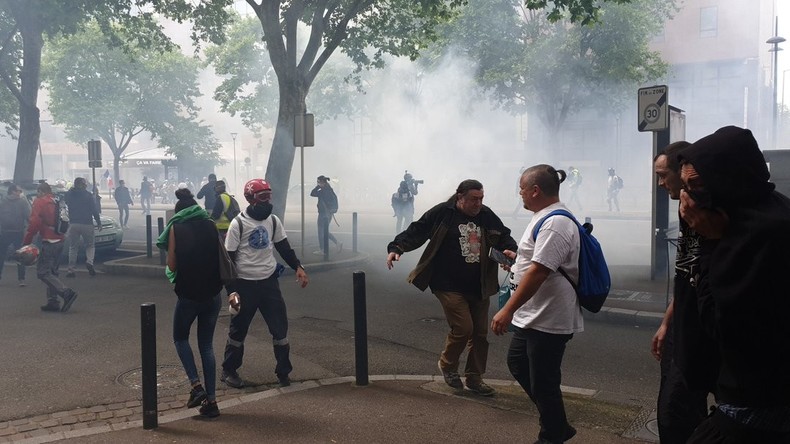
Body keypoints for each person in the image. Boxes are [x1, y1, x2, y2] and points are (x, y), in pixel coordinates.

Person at [677, 126, 790, 443]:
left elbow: (721, 321)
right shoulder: (750, 214)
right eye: (684, 188)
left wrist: (710, 243)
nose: (689, 200)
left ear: (728, 177)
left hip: (757, 401)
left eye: (696, 186)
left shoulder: (761, 234)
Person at [387, 179, 517, 397]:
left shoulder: (486, 215)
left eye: (481, 199)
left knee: (480, 334)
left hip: (479, 285)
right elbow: (418, 230)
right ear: (460, 197)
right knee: (464, 328)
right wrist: (397, 247)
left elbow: (504, 236)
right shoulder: (443, 212)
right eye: (474, 199)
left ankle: (475, 378)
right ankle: (447, 366)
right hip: (447, 284)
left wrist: (510, 252)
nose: (478, 204)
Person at [490, 165, 583, 444]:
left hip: (549, 317)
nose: (519, 194)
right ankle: (557, 424)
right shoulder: (543, 217)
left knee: (544, 381)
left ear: (535, 190)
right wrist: (517, 259)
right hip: (534, 315)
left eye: (521, 189)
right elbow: (535, 261)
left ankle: (551, 434)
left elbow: (540, 271)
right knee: (518, 363)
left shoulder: (556, 222)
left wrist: (507, 310)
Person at [651, 142, 713, 444]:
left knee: (677, 410)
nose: (661, 184)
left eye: (664, 176)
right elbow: (685, 274)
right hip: (684, 325)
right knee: (673, 407)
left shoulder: (709, 211)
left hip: (705, 328)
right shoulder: (685, 207)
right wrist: (667, 323)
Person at [221, 178, 309, 389]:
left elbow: (284, 247)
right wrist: (231, 292)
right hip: (244, 285)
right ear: (250, 199)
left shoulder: (273, 221)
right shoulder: (238, 224)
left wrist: (298, 266)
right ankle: (229, 370)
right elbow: (228, 260)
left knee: (280, 330)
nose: (268, 202)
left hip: (269, 284)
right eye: (262, 197)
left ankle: (283, 372)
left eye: (269, 197)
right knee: (238, 331)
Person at [157, 188, 223, 419]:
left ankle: (196, 386)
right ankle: (212, 402)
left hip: (189, 295)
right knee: (206, 346)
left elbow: (172, 265)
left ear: (178, 213)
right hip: (213, 294)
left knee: (180, 338)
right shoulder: (211, 225)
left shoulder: (176, 228)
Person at [22, 182, 78, 312]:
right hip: (60, 239)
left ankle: (66, 293)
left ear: (41, 191)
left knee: (43, 272)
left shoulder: (40, 201)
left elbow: (34, 222)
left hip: (48, 240)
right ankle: (53, 301)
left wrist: (27, 241)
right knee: (53, 272)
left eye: (38, 192)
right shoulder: (57, 200)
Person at [64, 177, 102, 278]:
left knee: (73, 247)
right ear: (83, 185)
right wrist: (98, 222)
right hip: (87, 223)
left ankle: (71, 270)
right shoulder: (88, 195)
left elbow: (66, 201)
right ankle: (89, 262)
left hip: (73, 223)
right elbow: (94, 211)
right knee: (90, 245)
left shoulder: (69, 194)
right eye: (85, 184)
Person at [0, 184, 30, 286]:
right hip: (18, 232)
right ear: (13, 191)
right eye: (19, 191)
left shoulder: (2, 201)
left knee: (1, 255)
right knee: (21, 256)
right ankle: (21, 279)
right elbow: (29, 216)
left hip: (4, 232)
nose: (20, 193)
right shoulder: (22, 202)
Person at [310, 175, 340, 254]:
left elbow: (312, 193)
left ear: (322, 182)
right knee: (325, 231)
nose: (317, 183)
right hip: (328, 213)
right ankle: (337, 243)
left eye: (318, 182)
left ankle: (322, 249)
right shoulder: (329, 189)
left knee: (321, 231)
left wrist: (317, 187)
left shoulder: (323, 191)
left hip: (323, 214)